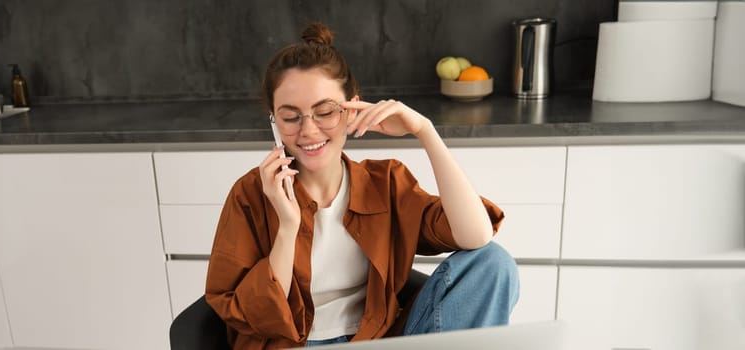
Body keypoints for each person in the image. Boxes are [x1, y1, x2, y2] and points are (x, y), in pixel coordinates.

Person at [205, 22, 518, 349]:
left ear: (351, 108)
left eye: (324, 111)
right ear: (273, 121)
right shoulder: (251, 194)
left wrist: (425, 132)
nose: (309, 131)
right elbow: (251, 316)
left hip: (374, 340)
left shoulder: (385, 184)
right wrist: (287, 226)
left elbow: (476, 236)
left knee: (493, 263)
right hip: (293, 345)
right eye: (290, 117)